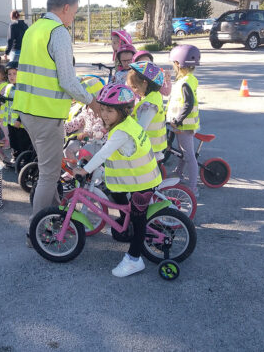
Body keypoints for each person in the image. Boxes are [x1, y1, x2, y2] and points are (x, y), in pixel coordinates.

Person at [12, 0, 100, 245]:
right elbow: (67, 81)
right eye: (75, 12)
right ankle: (36, 232)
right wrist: (93, 103)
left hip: (28, 110)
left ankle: (56, 218)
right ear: (65, 8)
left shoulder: (34, 29)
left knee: (48, 168)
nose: (74, 17)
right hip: (46, 113)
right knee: (49, 174)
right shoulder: (58, 32)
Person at [73, 84, 162, 277]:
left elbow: (104, 153)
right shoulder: (124, 124)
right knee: (115, 192)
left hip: (144, 181)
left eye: (110, 111)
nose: (104, 114)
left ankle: (134, 259)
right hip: (134, 179)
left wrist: (85, 170)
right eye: (102, 109)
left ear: (123, 111)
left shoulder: (121, 132)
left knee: (139, 220)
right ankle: (124, 225)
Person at [165, 44, 201, 197]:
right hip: (183, 124)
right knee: (184, 152)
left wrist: (178, 120)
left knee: (189, 156)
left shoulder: (185, 82)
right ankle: (179, 173)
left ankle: (193, 188)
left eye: (173, 63)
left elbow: (188, 103)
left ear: (178, 64)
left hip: (184, 125)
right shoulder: (188, 79)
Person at [127, 62, 167, 162]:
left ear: (145, 83)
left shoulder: (149, 104)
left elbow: (141, 128)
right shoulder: (154, 96)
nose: (134, 91)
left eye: (135, 87)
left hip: (149, 149)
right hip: (153, 147)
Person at [3, 61, 32, 161]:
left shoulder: (23, 88)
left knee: (23, 142)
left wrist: (19, 120)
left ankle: (26, 160)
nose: (11, 76)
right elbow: (6, 100)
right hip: (11, 120)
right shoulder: (9, 87)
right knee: (13, 141)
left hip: (21, 123)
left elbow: (25, 106)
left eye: (14, 74)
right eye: (9, 74)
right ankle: (15, 157)